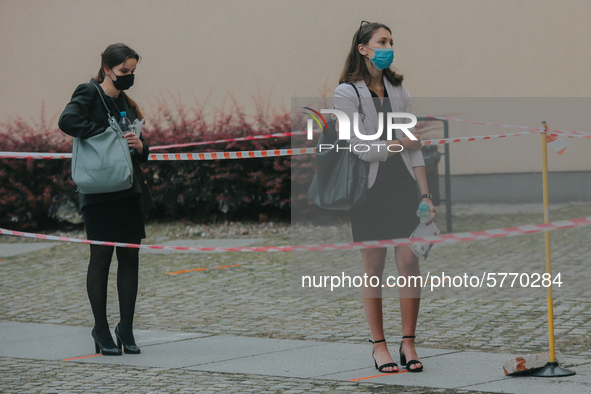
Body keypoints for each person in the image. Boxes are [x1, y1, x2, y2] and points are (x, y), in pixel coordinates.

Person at [334, 22, 435, 373]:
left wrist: (425, 193)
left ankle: (409, 342)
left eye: (391, 41)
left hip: (403, 187)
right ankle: (379, 346)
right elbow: (360, 148)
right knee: (373, 268)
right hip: (368, 192)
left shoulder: (398, 87)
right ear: (363, 49)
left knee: (409, 263)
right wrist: (399, 144)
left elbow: (416, 147)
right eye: (382, 41)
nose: (388, 46)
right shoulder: (346, 93)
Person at [59, 43, 153, 356]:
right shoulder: (88, 92)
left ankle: (125, 328)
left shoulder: (126, 102)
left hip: (127, 191)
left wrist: (140, 147)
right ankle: (100, 328)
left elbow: (138, 152)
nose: (128, 76)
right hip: (98, 193)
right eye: (124, 71)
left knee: (129, 258)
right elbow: (67, 121)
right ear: (108, 68)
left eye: (132, 71)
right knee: (101, 258)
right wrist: (105, 133)